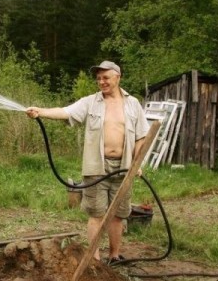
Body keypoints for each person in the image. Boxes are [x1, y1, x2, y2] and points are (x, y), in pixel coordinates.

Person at [26, 60, 150, 264]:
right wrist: (41, 111)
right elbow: (66, 111)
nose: (101, 82)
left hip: (125, 168)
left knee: (118, 215)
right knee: (96, 214)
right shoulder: (90, 102)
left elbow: (141, 136)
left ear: (118, 77)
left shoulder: (133, 104)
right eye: (99, 78)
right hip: (96, 168)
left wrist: (137, 164)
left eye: (106, 77)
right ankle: (94, 260)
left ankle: (114, 255)